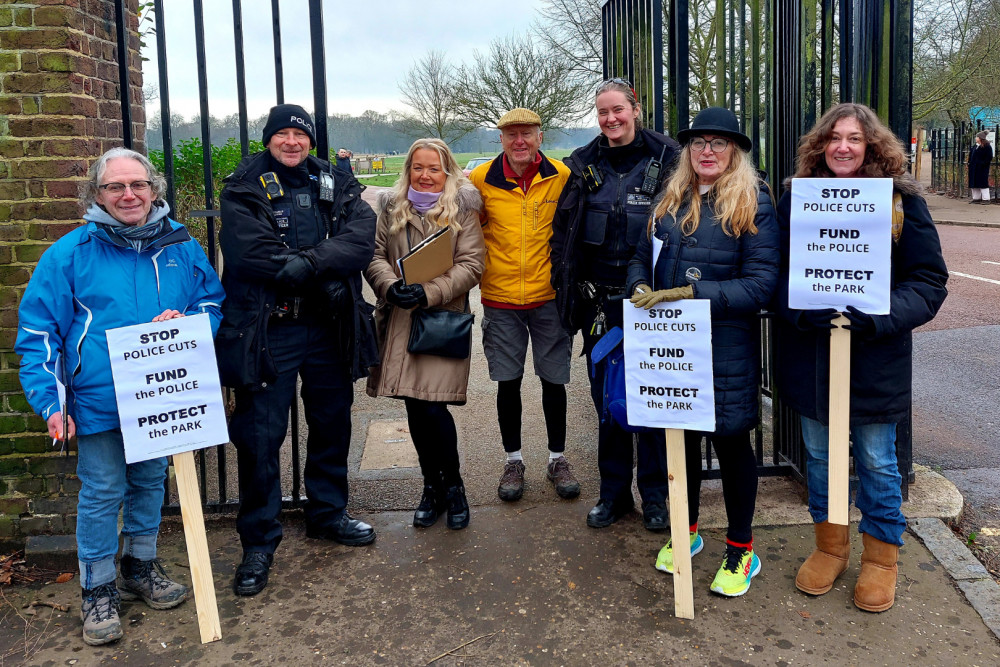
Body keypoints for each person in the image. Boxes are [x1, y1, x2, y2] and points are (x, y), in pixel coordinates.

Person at [16, 147, 225, 645]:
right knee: (103, 492)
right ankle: (97, 590)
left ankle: (139, 567)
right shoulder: (69, 254)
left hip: (159, 399)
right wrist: (51, 403)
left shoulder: (180, 246)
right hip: (99, 400)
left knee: (151, 483)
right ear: (97, 194)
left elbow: (211, 302)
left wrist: (190, 322)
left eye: (138, 185)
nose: (128, 195)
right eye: (115, 187)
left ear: (154, 189)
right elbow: (38, 332)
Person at [774, 102, 948, 612]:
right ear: (819, 146)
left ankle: (881, 558)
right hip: (813, 355)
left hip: (876, 358)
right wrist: (805, 310)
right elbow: (774, 273)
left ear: (872, 146)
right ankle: (830, 547)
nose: (843, 147)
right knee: (822, 457)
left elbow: (929, 281)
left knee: (877, 461)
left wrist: (879, 313)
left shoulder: (900, 202)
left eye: (854, 139)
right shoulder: (795, 202)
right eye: (834, 138)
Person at [218, 104, 378, 597]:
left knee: (332, 423)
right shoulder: (244, 185)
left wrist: (308, 263)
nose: (292, 142)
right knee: (261, 436)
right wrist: (316, 267)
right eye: (282, 134)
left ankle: (328, 513)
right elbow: (251, 254)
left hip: (328, 328)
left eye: (300, 135)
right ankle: (259, 542)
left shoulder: (337, 182)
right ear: (269, 139)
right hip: (271, 329)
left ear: (311, 141)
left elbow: (359, 238)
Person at [626, 107, 779, 596]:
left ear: (734, 151)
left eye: (717, 142)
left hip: (724, 349)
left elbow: (761, 284)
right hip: (673, 347)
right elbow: (639, 255)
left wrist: (695, 295)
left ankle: (741, 550)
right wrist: (637, 284)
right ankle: (686, 531)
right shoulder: (670, 199)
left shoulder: (754, 202)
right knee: (682, 444)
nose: (706, 151)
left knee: (733, 446)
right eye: (698, 143)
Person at [551, 79, 680, 530]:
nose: (610, 120)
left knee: (653, 405)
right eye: (603, 112)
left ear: (635, 109)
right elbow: (563, 235)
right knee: (608, 405)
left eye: (617, 110)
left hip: (654, 306)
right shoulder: (584, 165)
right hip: (601, 306)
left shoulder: (669, 159)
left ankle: (657, 496)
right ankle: (613, 494)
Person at [365, 138, 485, 529]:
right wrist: (389, 285)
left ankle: (453, 487)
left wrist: (429, 291)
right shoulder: (391, 207)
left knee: (433, 406)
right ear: (408, 169)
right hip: (400, 319)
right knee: (415, 407)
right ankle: (430, 488)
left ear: (447, 170)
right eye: (418, 167)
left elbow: (471, 264)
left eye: (434, 168)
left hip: (440, 319)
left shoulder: (462, 210)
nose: (425, 174)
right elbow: (374, 256)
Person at [468, 108, 579, 502]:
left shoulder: (561, 177)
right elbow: (465, 229)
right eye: (511, 135)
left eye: (527, 134)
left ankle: (557, 457)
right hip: (500, 299)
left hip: (548, 297)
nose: (519, 142)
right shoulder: (480, 180)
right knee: (507, 381)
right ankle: (513, 460)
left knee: (554, 380)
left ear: (540, 137)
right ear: (500, 139)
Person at [969, 131, 993, 203]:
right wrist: (969, 163)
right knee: (974, 183)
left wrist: (983, 164)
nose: (976, 138)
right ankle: (976, 198)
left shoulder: (987, 147)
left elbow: (989, 157)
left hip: (982, 168)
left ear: (980, 138)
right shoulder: (975, 146)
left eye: (977, 137)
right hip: (973, 167)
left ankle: (986, 199)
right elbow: (971, 156)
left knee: (982, 183)